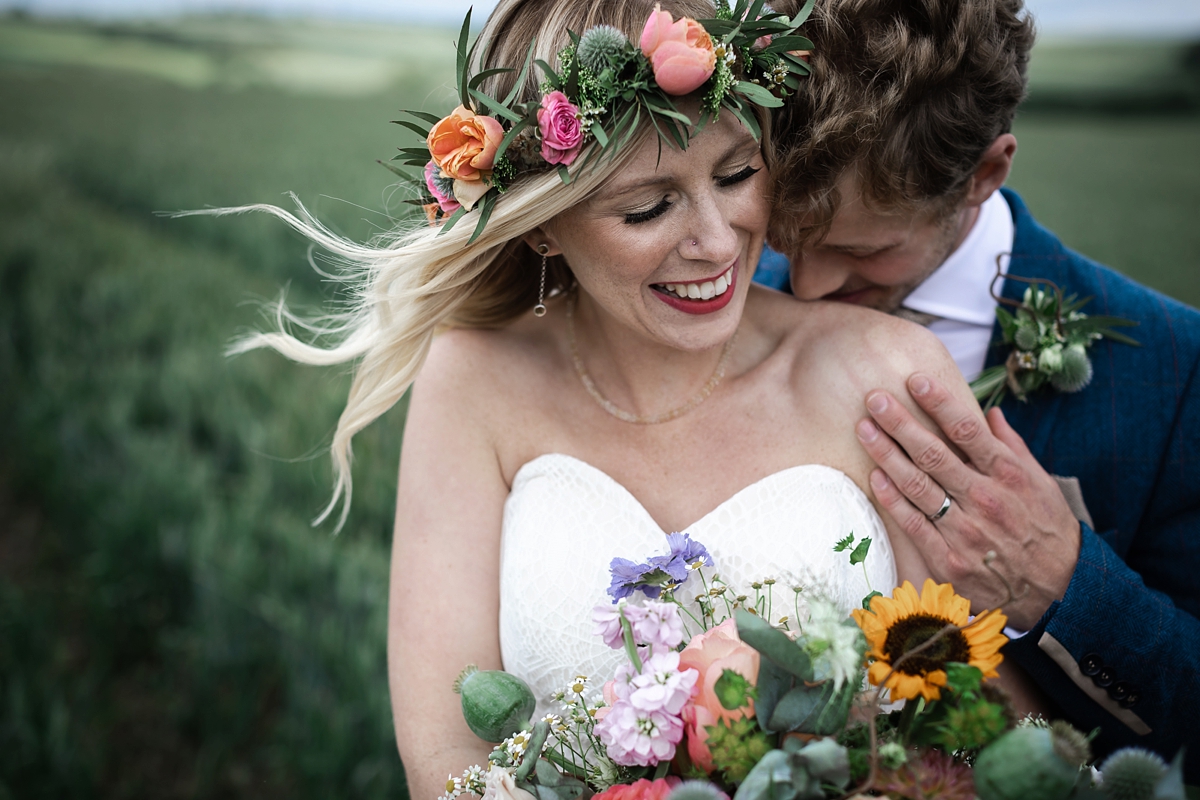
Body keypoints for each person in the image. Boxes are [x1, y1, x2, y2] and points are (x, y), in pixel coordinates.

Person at [198, 0, 1021, 794]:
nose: (715, 239)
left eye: (737, 174)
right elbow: (445, 760)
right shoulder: (472, 380)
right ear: (542, 225)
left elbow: (971, 714)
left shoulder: (885, 371)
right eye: (649, 207)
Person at [761, 0, 1200, 778]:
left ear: (985, 174)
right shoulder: (719, 305)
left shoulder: (1176, 369)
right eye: (785, 237)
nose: (807, 284)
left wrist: (1063, 581)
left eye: (864, 247)